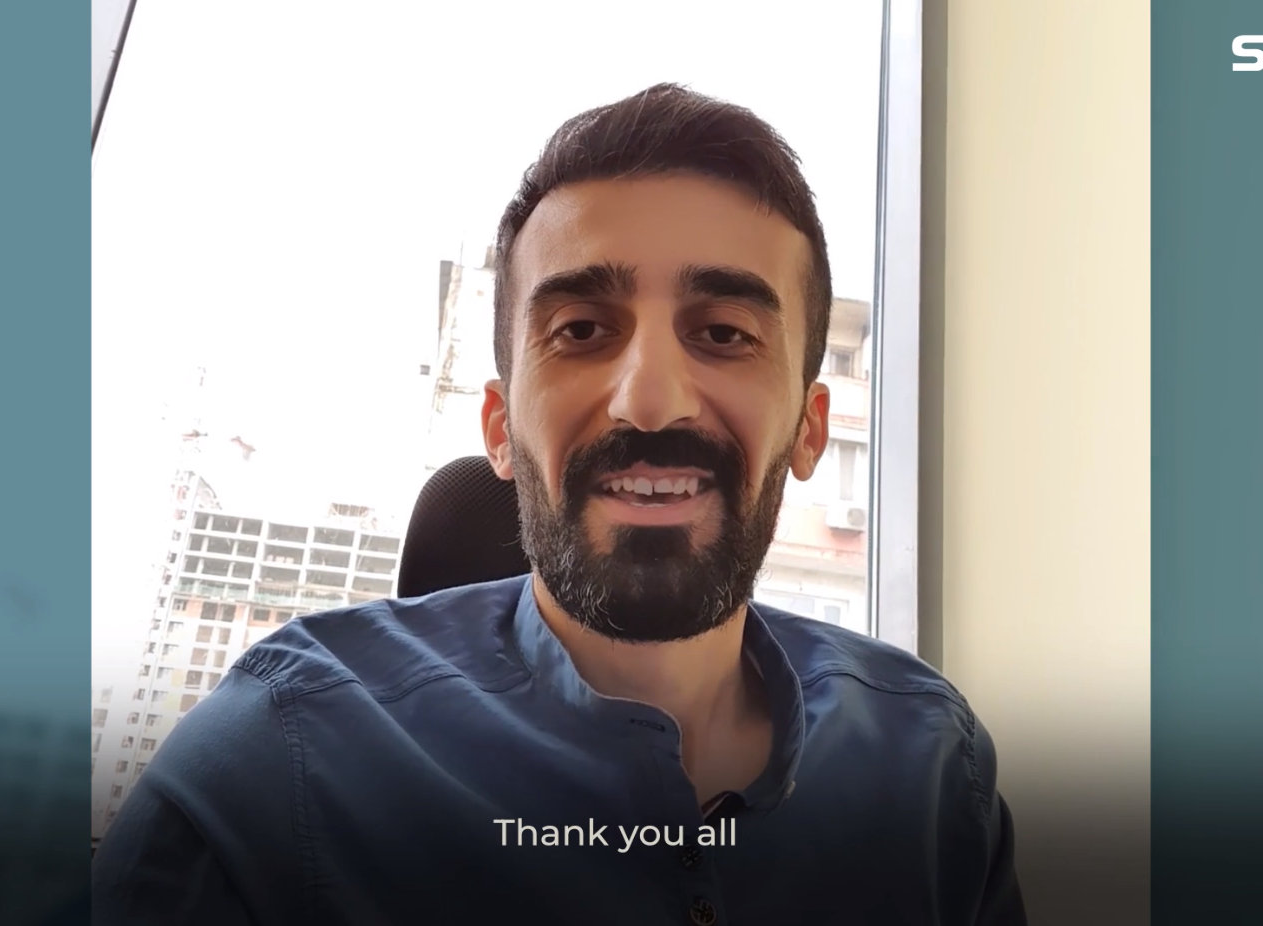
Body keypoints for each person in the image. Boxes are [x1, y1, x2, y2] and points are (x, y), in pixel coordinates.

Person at [91, 83, 1026, 925]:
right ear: (500, 428)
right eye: (580, 329)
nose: (649, 400)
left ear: (810, 429)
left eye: (722, 333)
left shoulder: (933, 767)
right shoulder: (275, 764)